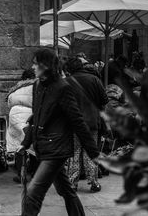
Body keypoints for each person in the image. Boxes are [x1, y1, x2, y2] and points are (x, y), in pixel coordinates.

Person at [21, 49, 100, 216]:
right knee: (66, 190)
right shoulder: (37, 85)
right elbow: (37, 117)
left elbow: (77, 121)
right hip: (43, 145)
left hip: (56, 149)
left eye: (36, 63)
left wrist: (93, 152)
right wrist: (26, 142)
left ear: (46, 66)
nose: (33, 66)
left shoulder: (63, 88)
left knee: (33, 192)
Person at [65, 57, 108, 192]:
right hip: (91, 122)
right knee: (91, 151)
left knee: (74, 152)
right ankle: (94, 182)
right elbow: (104, 100)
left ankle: (72, 183)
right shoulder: (94, 79)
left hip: (74, 124)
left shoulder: (66, 82)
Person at [6, 69, 36, 183]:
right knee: (32, 144)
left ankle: (21, 175)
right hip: (30, 115)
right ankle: (34, 173)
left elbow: (9, 103)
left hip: (15, 116)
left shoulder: (16, 88)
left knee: (19, 144)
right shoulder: (37, 86)